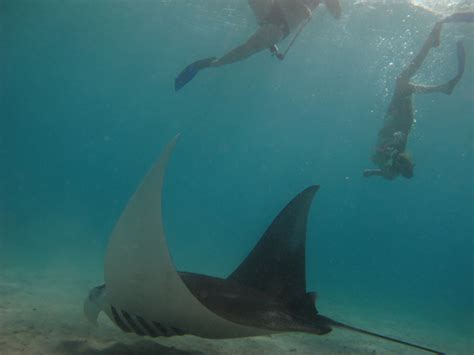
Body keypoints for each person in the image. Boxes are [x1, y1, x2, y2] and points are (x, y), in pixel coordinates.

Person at [363, 13, 473, 180]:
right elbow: (398, 137)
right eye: (403, 164)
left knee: (406, 86)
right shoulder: (394, 152)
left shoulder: (388, 172)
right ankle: (431, 43)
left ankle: (443, 86)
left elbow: (385, 171)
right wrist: (392, 147)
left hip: (395, 115)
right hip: (400, 118)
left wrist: (372, 172)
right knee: (402, 82)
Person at [175, 0, 342, 91]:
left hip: (274, 21)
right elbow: (336, 13)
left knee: (248, 48)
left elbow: (337, 12)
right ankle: (207, 65)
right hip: (276, 20)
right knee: (248, 49)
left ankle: (207, 65)